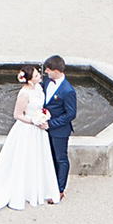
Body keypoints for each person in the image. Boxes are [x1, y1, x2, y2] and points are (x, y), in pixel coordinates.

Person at [0, 67, 61, 210]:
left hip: (38, 131)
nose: (39, 76)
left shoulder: (38, 88)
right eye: (35, 75)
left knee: (37, 157)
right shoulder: (24, 94)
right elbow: (17, 115)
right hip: (27, 130)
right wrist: (34, 121)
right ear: (28, 79)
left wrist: (43, 116)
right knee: (23, 158)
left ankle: (34, 187)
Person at [41, 56, 78, 199]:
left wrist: (51, 124)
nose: (46, 72)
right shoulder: (46, 82)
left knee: (60, 159)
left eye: (48, 70)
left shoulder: (68, 91)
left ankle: (59, 189)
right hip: (45, 127)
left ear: (56, 71)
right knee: (48, 156)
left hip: (59, 131)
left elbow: (71, 114)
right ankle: (49, 183)